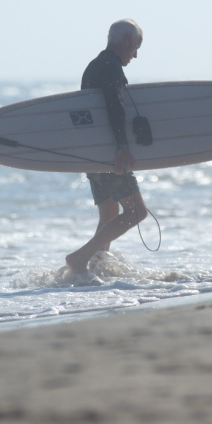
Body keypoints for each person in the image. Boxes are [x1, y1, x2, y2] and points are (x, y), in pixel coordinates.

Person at [66, 19, 149, 275]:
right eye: (136, 46)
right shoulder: (110, 67)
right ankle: (80, 257)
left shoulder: (94, 66)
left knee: (109, 214)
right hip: (109, 154)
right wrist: (122, 148)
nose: (135, 54)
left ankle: (96, 268)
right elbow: (114, 107)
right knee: (137, 212)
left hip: (93, 153)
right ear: (126, 40)